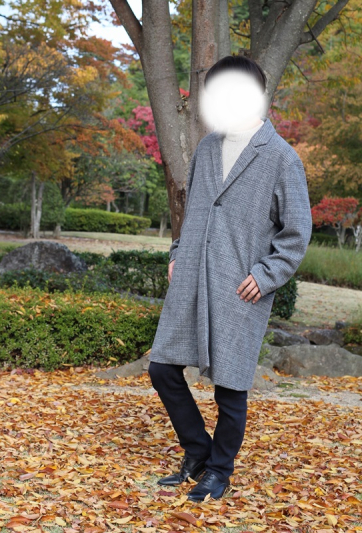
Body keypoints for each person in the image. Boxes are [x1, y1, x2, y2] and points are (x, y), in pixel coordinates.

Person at [148, 55, 312, 503]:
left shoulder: (281, 157)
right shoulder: (207, 148)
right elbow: (194, 211)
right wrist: (177, 253)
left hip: (241, 287)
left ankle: (219, 470)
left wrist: (267, 274)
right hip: (191, 278)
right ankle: (198, 451)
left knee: (230, 386)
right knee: (162, 368)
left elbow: (296, 233)